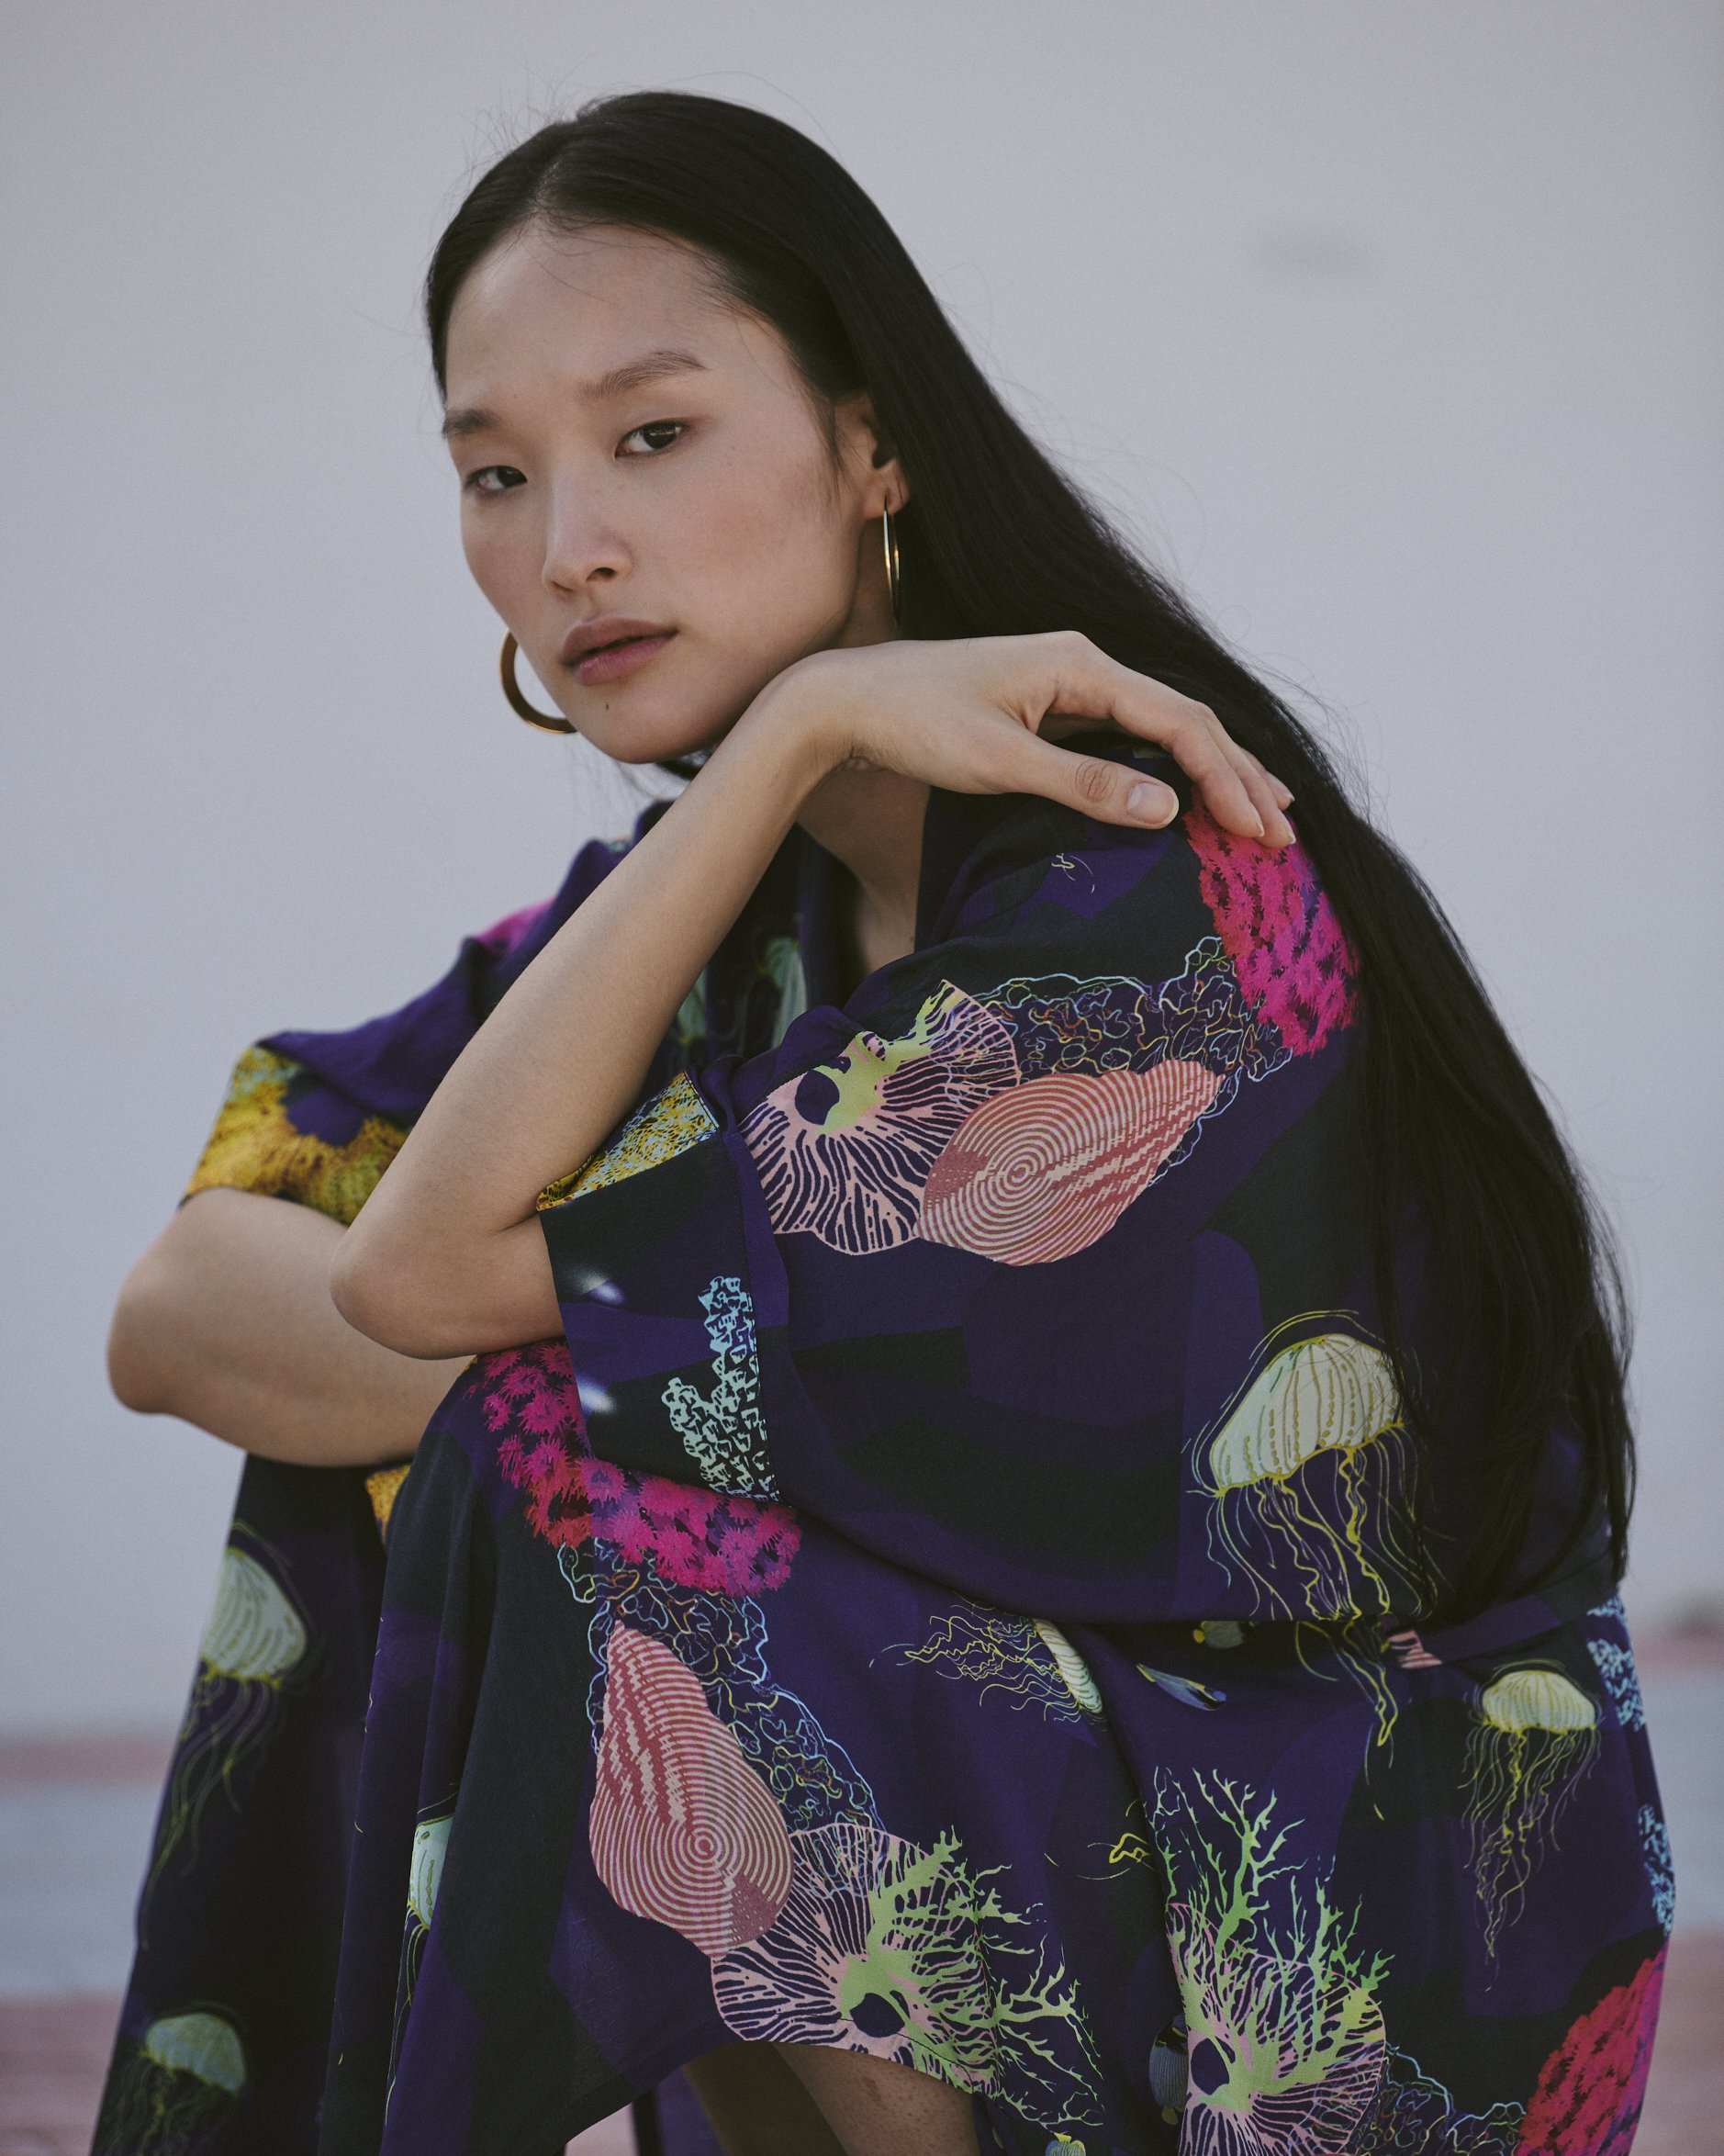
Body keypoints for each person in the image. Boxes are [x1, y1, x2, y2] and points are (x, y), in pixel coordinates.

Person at [102, 92, 1666, 2156]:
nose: (565, 544)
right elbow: (182, 1298)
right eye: (495, 473)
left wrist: (796, 732)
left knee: (579, 1486)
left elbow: (402, 1273)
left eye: (650, 435)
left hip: (1348, 1908)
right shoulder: (688, 923)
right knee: (542, 1435)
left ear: (873, 442)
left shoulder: (1152, 888)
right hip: (1036, 1846)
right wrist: (785, 756)